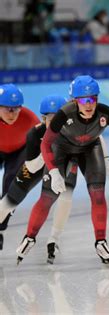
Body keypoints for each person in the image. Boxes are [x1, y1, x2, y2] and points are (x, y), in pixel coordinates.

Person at [15, 75, 109, 264]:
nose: (89, 104)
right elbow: (46, 145)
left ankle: (101, 242)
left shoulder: (107, 114)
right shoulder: (64, 114)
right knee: (48, 196)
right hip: (61, 150)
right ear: (74, 101)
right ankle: (29, 237)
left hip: (89, 150)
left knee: (98, 194)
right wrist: (53, 171)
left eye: (93, 99)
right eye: (84, 100)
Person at [0, 83, 40, 250]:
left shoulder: (30, 118)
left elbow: (47, 141)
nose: (12, 113)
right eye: (7, 109)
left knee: (11, 185)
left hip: (19, 150)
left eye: (16, 108)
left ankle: (0, 229)